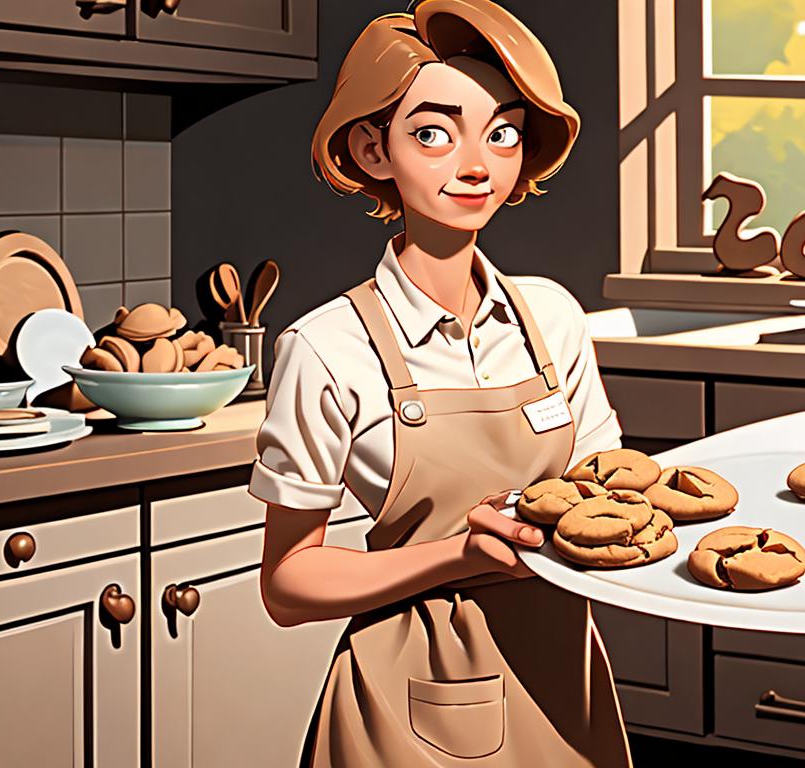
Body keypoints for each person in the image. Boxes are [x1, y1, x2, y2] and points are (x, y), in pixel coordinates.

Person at [249, 1, 631, 765]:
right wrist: (460, 556)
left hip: (564, 676)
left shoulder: (552, 317)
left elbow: (603, 488)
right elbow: (287, 584)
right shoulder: (326, 348)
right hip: (407, 690)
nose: (476, 164)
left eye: (503, 133)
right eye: (433, 132)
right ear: (372, 148)